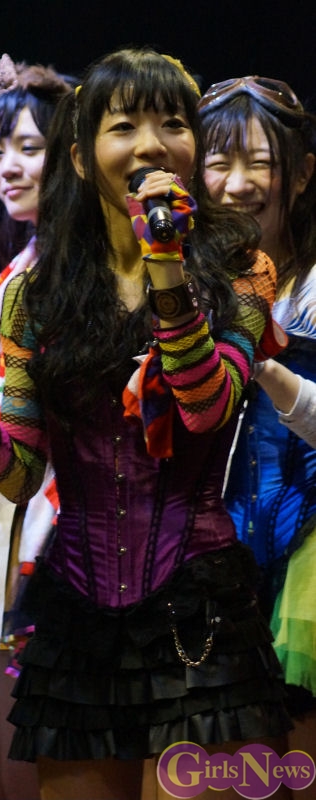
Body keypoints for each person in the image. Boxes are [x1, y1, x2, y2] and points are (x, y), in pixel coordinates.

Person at [0, 48, 293, 800]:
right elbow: (18, 473)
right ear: (81, 157)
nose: (151, 145)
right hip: (77, 622)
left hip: (199, 612)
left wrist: (166, 262)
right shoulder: (36, 297)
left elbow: (205, 406)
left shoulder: (241, 271)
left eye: (172, 123)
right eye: (125, 126)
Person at [0, 55, 73, 800]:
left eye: (28, 148)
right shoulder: (23, 260)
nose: (7, 167)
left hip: (50, 514)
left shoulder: (75, 263)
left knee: (22, 753)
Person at [198, 75, 316, 782]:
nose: (238, 184)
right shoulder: (177, 284)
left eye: (260, 163)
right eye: (218, 163)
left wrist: (264, 364)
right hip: (209, 558)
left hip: (308, 557)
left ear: (301, 174)